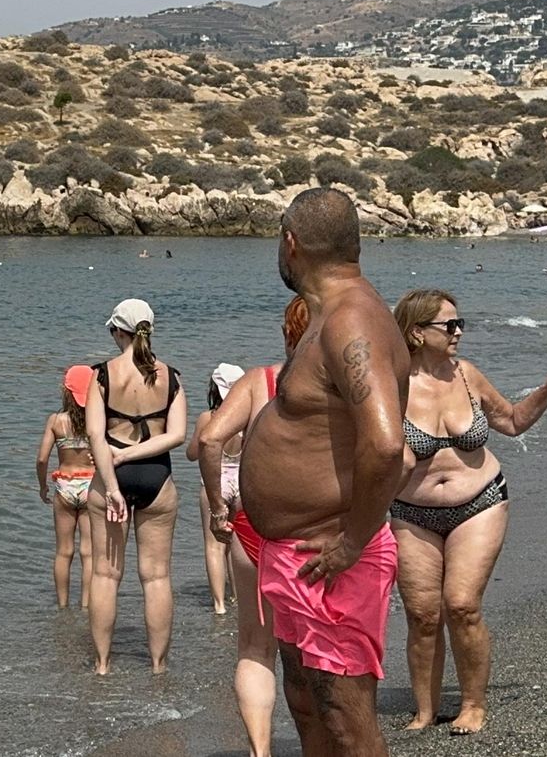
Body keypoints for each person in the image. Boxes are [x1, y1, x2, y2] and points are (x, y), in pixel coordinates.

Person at [241, 188, 410, 757]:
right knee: (307, 702)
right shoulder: (331, 318)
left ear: (291, 244)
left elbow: (386, 446)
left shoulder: (350, 323)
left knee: (345, 718)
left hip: (331, 558)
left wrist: (353, 541)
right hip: (301, 556)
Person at [391, 290, 547, 735]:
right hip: (411, 512)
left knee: (462, 604)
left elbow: (512, 422)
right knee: (421, 613)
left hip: (480, 503)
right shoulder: (391, 386)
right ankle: (423, 710)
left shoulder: (467, 376)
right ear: (417, 332)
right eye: (448, 326)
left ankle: (473, 705)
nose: (459, 332)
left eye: (460, 324)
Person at [196, 295, 309, 757]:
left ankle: (260, 752)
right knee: (310, 648)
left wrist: (220, 509)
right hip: (314, 528)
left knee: (255, 645)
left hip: (252, 520)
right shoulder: (345, 386)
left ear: (287, 335)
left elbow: (208, 438)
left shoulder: (261, 381)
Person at [85, 298, 186, 675]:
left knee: (106, 575)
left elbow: (96, 435)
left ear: (119, 331)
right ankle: (158, 666)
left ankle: (102, 665)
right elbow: (176, 435)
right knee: (157, 576)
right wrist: (137, 455)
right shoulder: (171, 376)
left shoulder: (102, 375)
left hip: (111, 477)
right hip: (157, 478)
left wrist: (113, 481)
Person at [35, 365, 96, 609]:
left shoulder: (57, 421)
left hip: (65, 486)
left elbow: (41, 459)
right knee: (88, 552)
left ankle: (62, 606)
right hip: (91, 486)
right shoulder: (97, 421)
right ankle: (85, 605)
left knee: (64, 551)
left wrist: (42, 487)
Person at [186, 362, 244, 616]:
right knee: (236, 543)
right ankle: (238, 597)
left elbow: (191, 454)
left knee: (213, 545)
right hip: (241, 484)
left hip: (215, 483)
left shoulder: (208, 418)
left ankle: (219, 605)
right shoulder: (247, 417)